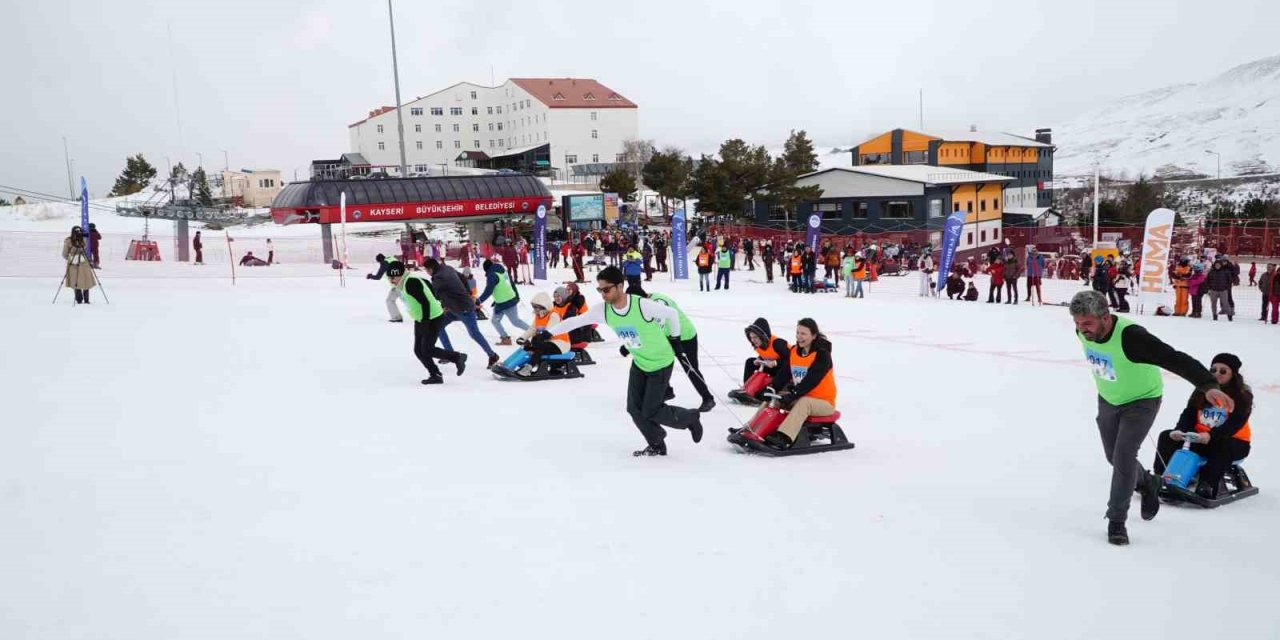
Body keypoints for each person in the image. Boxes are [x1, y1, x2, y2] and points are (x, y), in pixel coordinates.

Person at [1069, 289, 1231, 546]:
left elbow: (1173, 358)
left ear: (1106, 317)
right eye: (1077, 323)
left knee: (1123, 457)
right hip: (1109, 399)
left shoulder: (1133, 338)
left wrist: (1208, 384)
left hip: (1142, 402)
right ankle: (1148, 483)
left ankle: (1116, 521)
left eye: (1087, 323)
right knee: (1113, 456)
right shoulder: (1083, 330)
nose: (1081, 329)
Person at [545, 266, 703, 456]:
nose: (602, 294)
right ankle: (656, 443)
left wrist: (676, 340)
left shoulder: (641, 305)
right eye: (600, 290)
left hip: (660, 362)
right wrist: (548, 333)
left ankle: (690, 418)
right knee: (634, 409)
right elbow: (576, 321)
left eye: (606, 289)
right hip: (640, 362)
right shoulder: (604, 310)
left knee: (651, 410)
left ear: (620, 286)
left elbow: (671, 314)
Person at [1152, 353, 1252, 500]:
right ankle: (1160, 478)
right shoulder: (1203, 390)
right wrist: (1179, 430)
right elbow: (1189, 414)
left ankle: (1208, 484)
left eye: (1223, 371)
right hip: (1200, 439)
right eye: (1213, 370)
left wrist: (1211, 435)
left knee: (1221, 445)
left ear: (1233, 375)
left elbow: (1234, 424)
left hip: (1233, 442)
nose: (1217, 373)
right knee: (1166, 437)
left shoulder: (1241, 395)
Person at [759, 318, 837, 451]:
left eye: (803, 334)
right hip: (801, 397)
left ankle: (784, 437)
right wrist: (772, 388)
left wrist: (794, 394)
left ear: (814, 336)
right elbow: (784, 373)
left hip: (824, 403)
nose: (799, 337)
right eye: (798, 333)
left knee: (804, 402)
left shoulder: (822, 355)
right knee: (774, 397)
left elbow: (812, 380)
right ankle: (754, 428)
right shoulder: (794, 351)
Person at [636, 286, 716, 412]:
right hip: (670, 337)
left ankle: (708, 398)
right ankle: (666, 391)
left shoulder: (658, 302)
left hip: (684, 336)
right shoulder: (649, 300)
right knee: (660, 363)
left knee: (690, 368)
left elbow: (659, 326)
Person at [386, 261, 467, 385]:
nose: (392, 280)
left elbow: (425, 303)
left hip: (432, 318)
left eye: (394, 277)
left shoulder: (410, 282)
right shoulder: (405, 280)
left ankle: (457, 357)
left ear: (401, 274)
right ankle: (435, 374)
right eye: (389, 277)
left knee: (427, 349)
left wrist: (425, 322)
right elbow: (427, 283)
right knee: (419, 350)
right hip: (422, 318)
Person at [424, 258, 500, 369]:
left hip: (464, 309)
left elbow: (436, 296)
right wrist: (468, 292)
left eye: (426, 270)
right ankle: (449, 353)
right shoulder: (447, 268)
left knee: (474, 334)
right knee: (438, 327)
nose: (427, 272)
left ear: (430, 269)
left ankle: (492, 355)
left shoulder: (438, 278)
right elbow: (463, 278)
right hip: (454, 308)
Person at [476, 258, 529, 346]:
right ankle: (505, 338)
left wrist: (479, 301)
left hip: (507, 302)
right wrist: (516, 296)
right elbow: (508, 284)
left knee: (515, 321)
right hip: (503, 302)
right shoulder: (502, 271)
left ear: (486, 268)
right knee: (495, 320)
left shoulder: (492, 275)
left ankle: (533, 332)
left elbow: (488, 290)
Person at [742, 317, 790, 389]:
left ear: (762, 336)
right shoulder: (758, 344)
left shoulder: (777, 343)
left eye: (755, 337)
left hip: (786, 370)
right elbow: (768, 354)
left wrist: (775, 363)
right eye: (751, 337)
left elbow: (791, 359)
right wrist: (759, 359)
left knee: (784, 366)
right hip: (773, 368)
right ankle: (746, 387)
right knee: (750, 362)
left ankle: (774, 388)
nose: (753, 340)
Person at [62, 226, 96, 304]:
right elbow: (65, 254)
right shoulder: (73, 240)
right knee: (80, 281)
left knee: (81, 281)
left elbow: (65, 254)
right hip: (78, 264)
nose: (79, 234)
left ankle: (83, 300)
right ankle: (82, 300)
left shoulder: (78, 240)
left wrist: (72, 258)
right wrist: (73, 258)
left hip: (78, 264)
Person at [367, 254, 404, 322]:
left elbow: (378, 277)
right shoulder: (391, 258)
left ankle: (397, 317)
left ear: (380, 260)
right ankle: (397, 317)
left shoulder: (384, 263)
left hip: (398, 284)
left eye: (379, 262)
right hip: (403, 281)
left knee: (403, 301)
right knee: (391, 300)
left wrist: (370, 276)